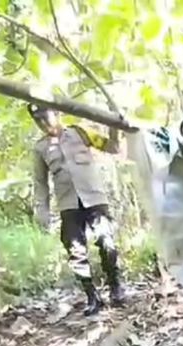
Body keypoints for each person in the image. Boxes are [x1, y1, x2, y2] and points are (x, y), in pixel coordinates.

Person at [29, 104, 124, 316]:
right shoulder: (40, 148)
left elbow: (112, 147)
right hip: (68, 204)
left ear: (57, 113)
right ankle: (92, 296)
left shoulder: (79, 133)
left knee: (107, 242)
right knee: (76, 252)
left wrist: (114, 126)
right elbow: (40, 183)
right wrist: (41, 211)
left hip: (94, 198)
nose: (44, 123)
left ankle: (115, 286)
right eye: (39, 120)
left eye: (47, 117)